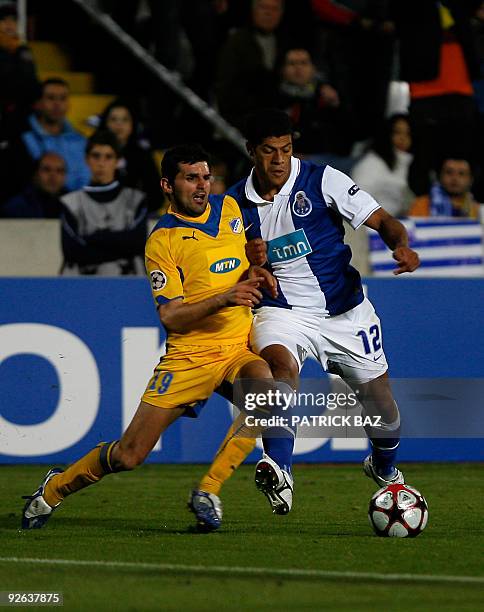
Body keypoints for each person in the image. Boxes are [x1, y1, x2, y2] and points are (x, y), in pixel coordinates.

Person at [21, 143, 280, 532]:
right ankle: (55, 488)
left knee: (267, 391)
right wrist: (226, 296)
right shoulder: (163, 240)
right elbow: (171, 316)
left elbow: (247, 256)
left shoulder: (231, 209)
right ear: (167, 185)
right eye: (191, 178)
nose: (202, 186)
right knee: (129, 455)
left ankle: (209, 490)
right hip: (189, 358)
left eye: (206, 177)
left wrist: (259, 269)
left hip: (234, 350)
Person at [192, 108, 420, 527]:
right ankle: (279, 467)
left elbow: (383, 220)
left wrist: (399, 247)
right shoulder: (233, 206)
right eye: (268, 150)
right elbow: (223, 270)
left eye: (286, 149)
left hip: (345, 312)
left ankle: (385, 468)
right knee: (279, 368)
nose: (279, 159)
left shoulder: (322, 179)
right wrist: (248, 263)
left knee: (383, 410)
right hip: (282, 312)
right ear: (251, 152)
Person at [60, 130, 148, 275]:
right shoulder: (71, 203)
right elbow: (72, 252)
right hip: (84, 286)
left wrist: (92, 238)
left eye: (108, 157)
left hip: (128, 285)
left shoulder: (135, 200)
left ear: (118, 161)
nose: (101, 163)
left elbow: (137, 243)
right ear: (87, 159)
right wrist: (121, 242)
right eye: (96, 156)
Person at [215, 0, 285, 129]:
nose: (268, 13)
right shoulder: (236, 42)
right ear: (253, 11)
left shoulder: (286, 43)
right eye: (263, 7)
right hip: (242, 120)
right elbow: (225, 86)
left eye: (274, 9)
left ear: (281, 13)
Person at [20, 78, 90, 192]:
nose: (57, 104)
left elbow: (86, 180)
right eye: (51, 98)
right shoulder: (22, 139)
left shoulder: (81, 141)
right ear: (38, 103)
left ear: (69, 104)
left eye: (63, 98)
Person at [97, 99, 161, 213]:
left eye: (125, 120)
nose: (119, 124)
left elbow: (156, 196)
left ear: (133, 124)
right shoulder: (94, 153)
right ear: (105, 123)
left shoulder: (143, 155)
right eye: (113, 119)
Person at [351, 114, 415, 217]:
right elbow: (357, 201)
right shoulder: (371, 164)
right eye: (397, 132)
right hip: (372, 227)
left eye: (407, 134)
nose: (403, 138)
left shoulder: (406, 163)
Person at [0, 151, 66, 218]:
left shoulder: (72, 204)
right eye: (46, 170)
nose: (53, 176)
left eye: (59, 171)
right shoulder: (15, 207)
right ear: (35, 174)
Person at [408, 157, 480, 218]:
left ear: (471, 179)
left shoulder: (478, 210)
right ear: (439, 177)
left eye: (461, 174)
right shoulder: (422, 204)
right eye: (449, 172)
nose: (455, 178)